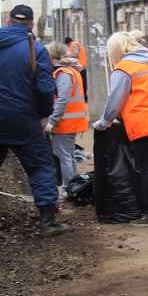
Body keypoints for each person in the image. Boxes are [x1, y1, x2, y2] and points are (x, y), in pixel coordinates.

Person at [0, 4, 66, 236]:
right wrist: (44, 114)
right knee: (40, 166)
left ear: (8, 21)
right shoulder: (34, 48)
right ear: (30, 24)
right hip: (23, 120)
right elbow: (45, 88)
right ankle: (48, 222)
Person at [93, 31, 148, 227]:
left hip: (145, 123)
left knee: (146, 167)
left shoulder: (124, 68)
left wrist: (104, 122)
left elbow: (115, 100)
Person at [45, 41, 88, 193]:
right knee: (68, 154)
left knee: (63, 155)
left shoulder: (63, 73)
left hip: (65, 123)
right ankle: (73, 186)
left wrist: (52, 121)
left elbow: (62, 99)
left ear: (52, 56)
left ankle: (68, 188)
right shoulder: (71, 71)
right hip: (71, 121)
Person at [64, 35, 88, 100]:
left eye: (67, 46)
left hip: (80, 68)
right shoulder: (75, 45)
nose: (68, 47)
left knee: (82, 85)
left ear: (68, 43)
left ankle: (84, 99)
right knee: (82, 85)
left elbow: (75, 54)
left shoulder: (74, 44)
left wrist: (66, 55)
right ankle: (84, 98)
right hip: (81, 67)